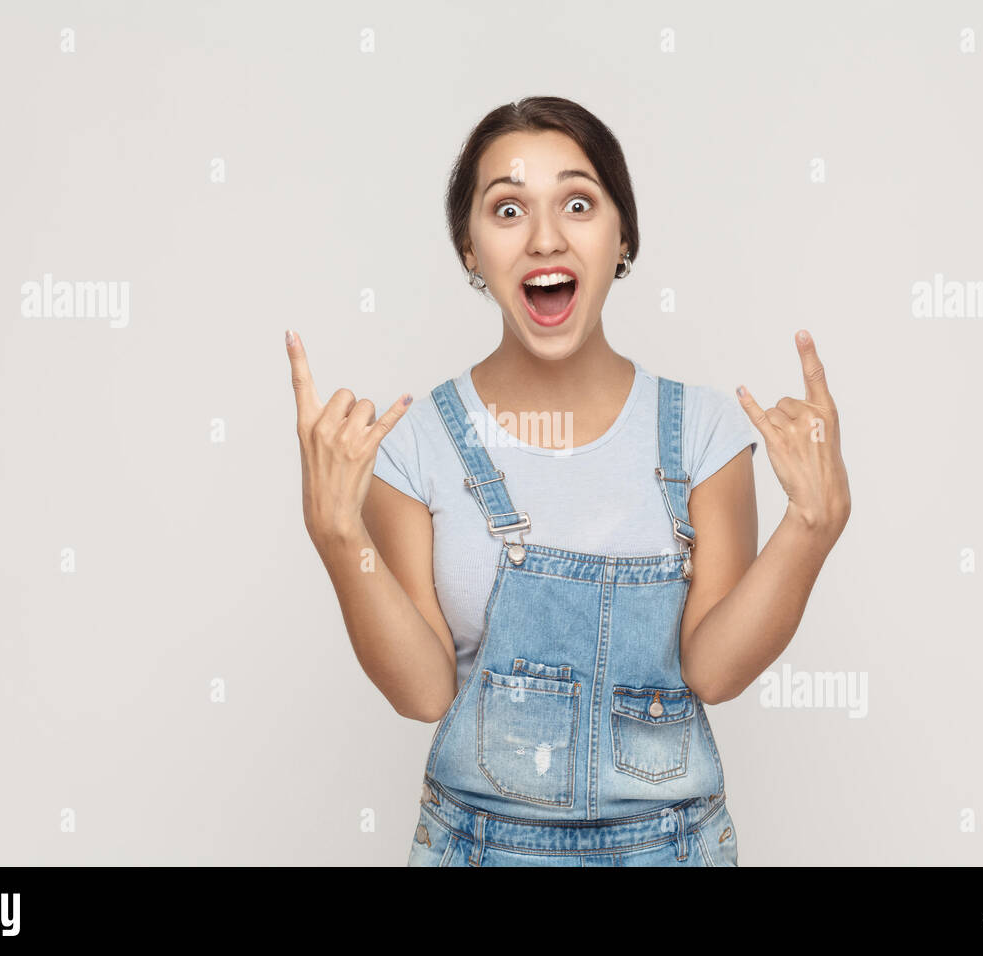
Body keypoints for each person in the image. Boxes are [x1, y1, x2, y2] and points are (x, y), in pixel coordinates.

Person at [285, 96, 851, 866]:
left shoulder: (705, 433)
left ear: (622, 237)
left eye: (578, 203)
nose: (545, 237)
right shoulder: (415, 445)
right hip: (475, 848)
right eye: (508, 209)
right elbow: (422, 692)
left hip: (674, 848)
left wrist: (812, 528)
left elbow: (714, 672)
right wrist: (336, 534)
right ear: (469, 250)